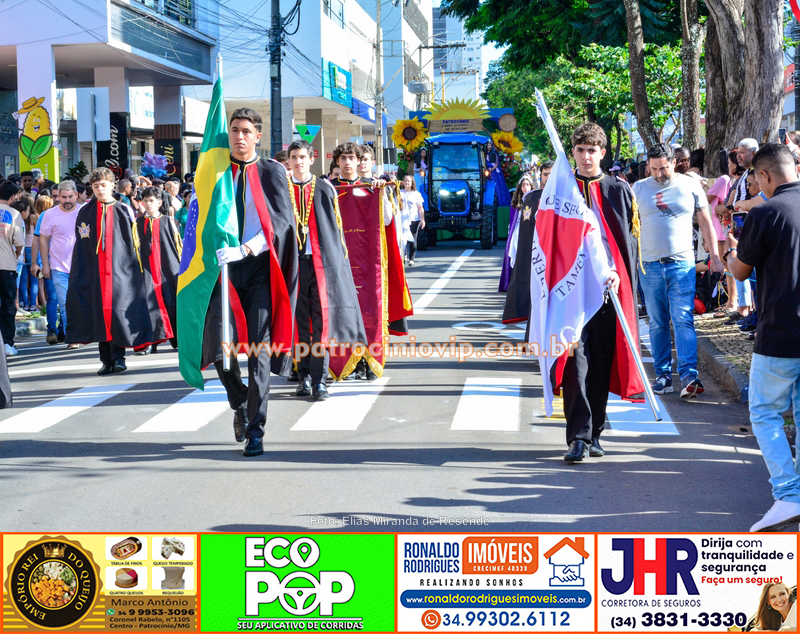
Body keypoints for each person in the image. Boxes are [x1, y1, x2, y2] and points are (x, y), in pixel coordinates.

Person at [207, 108, 297, 457]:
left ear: (257, 136)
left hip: (258, 268)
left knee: (259, 352)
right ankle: (240, 399)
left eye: (246, 131)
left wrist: (245, 248)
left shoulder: (272, 171)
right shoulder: (215, 172)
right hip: (224, 272)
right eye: (234, 130)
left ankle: (256, 430)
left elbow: (280, 224)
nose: (239, 136)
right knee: (220, 351)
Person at [726, 143, 800, 532]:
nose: (755, 187)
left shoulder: (767, 212)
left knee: (765, 412)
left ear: (765, 175)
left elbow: (739, 272)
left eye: (755, 180)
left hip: (780, 332)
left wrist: (726, 254)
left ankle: (788, 495)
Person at [559, 123, 642, 462]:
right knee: (574, 363)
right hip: (571, 292)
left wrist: (623, 277)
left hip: (609, 290)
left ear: (602, 153)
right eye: (580, 150)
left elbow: (628, 243)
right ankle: (577, 436)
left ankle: (595, 434)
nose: (586, 156)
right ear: (573, 153)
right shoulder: (561, 191)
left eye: (592, 150)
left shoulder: (619, 190)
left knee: (602, 362)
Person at [633, 143, 724, 398]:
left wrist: (714, 256)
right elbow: (630, 226)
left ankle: (688, 375)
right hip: (649, 266)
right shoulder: (638, 188)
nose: (659, 174)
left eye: (663, 168)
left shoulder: (690, 185)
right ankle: (663, 376)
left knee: (683, 318)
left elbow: (706, 221)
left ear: (673, 163)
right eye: (653, 169)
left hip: (682, 264)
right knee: (658, 322)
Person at [287, 140, 366, 397]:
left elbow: (336, 232)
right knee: (300, 323)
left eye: (302, 157)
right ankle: (304, 375)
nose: (298, 161)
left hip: (321, 264)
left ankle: (320, 378)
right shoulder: (282, 188)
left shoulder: (324, 188)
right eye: (294, 157)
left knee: (322, 322)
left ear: (312, 160)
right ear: (288, 161)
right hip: (294, 264)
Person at [66, 168, 154, 375]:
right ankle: (106, 359)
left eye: (103, 185)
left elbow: (133, 245)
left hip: (118, 273)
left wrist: (132, 271)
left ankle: (119, 357)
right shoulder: (85, 212)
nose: (100, 189)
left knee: (118, 314)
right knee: (97, 314)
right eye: (95, 186)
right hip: (94, 273)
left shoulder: (123, 210)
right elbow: (81, 245)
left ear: (112, 186)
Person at [502, 161, 553, 324]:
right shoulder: (531, 198)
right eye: (545, 174)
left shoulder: (569, 197)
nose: (549, 177)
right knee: (536, 306)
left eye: (552, 174)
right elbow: (526, 231)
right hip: (536, 256)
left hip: (556, 259)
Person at [135, 186, 180, 355]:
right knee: (147, 304)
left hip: (167, 269)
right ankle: (150, 341)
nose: (148, 204)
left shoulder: (168, 221)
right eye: (145, 201)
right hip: (146, 270)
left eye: (151, 201)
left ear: (159, 203)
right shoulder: (137, 223)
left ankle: (177, 339)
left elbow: (177, 246)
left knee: (171, 302)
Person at [38, 181, 81, 350]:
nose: (67, 200)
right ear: (58, 197)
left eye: (70, 196)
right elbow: (43, 238)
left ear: (76, 195)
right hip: (58, 268)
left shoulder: (84, 211)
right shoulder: (50, 214)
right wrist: (45, 264)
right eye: (63, 197)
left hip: (81, 267)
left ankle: (83, 331)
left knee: (82, 302)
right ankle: (73, 337)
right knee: (64, 303)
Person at [0, 181, 25, 356]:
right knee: (8, 305)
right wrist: (15, 255)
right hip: (6, 265)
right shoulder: (14, 214)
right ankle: (8, 343)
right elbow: (19, 243)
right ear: (11, 197)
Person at [499, 174, 533, 291]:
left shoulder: (535, 200)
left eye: (527, 185)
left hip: (530, 232)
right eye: (523, 185)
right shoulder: (516, 202)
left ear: (531, 186)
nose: (525, 187)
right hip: (518, 231)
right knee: (515, 253)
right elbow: (513, 219)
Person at [398, 174, 425, 266]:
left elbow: (420, 207)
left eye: (408, 181)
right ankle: (403, 256)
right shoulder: (400, 193)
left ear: (412, 183)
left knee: (413, 238)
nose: (407, 182)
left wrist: (422, 219)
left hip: (414, 219)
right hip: (402, 219)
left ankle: (411, 258)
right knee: (402, 238)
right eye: (405, 181)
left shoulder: (416, 194)